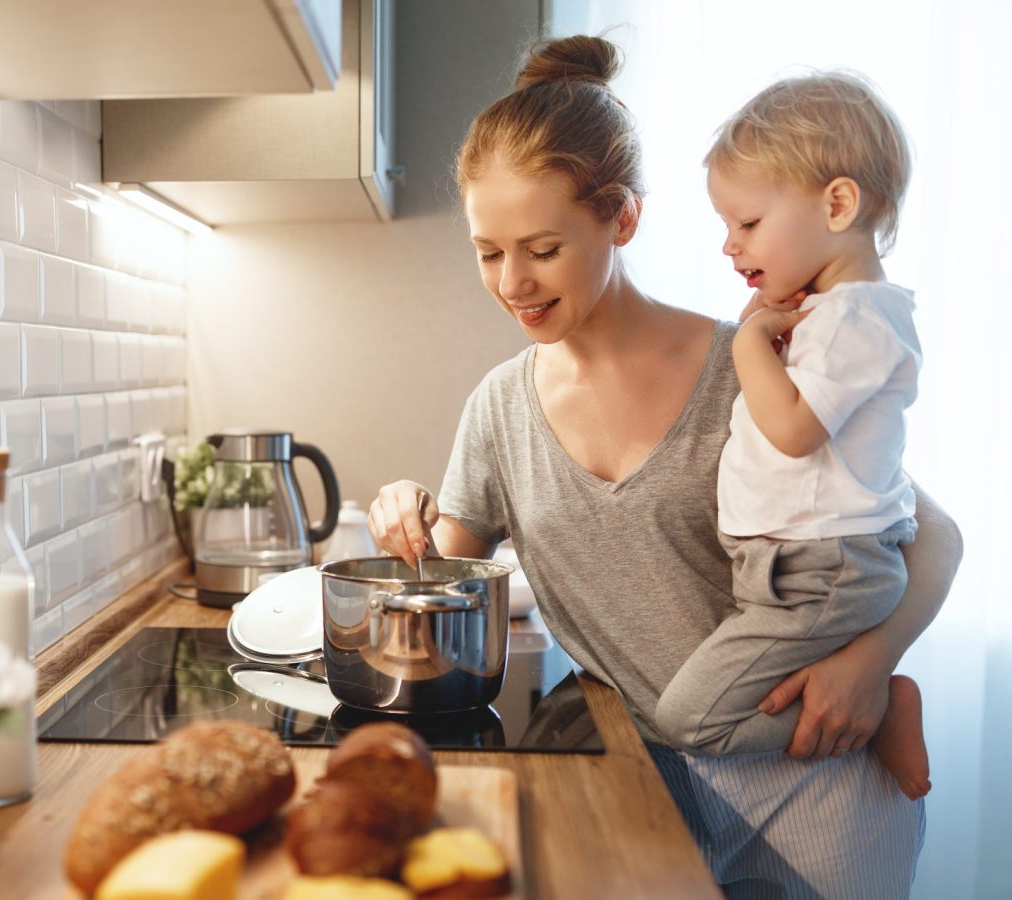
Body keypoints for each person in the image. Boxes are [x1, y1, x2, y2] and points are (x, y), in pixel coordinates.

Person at [367, 35, 962, 899]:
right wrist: (402, 510)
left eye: (542, 248)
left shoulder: (753, 362)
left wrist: (873, 666)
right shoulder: (500, 409)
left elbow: (930, 535)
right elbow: (441, 577)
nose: (513, 283)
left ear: (622, 220)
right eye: (488, 252)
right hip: (652, 789)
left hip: (822, 772)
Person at [651, 72, 931, 803]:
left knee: (690, 719)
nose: (728, 245)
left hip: (821, 571)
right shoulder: (834, 317)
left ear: (837, 204)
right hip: (792, 569)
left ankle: (874, 718)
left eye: (747, 223)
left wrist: (747, 345)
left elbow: (795, 432)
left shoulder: (858, 318)